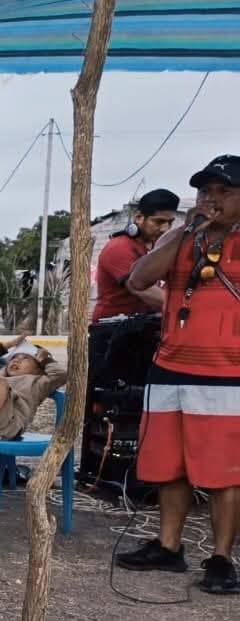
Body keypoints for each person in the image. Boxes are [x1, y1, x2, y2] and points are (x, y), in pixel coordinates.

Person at [115, 155, 240, 594]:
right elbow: (138, 279)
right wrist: (185, 233)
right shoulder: (181, 235)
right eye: (205, 191)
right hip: (171, 366)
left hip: (228, 371)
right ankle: (169, 546)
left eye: (224, 192)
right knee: (170, 464)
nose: (211, 199)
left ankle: (221, 559)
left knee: (224, 470)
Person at [92, 188, 180, 323]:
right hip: (113, 329)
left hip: (142, 325)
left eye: (170, 222)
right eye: (159, 222)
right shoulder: (119, 247)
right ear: (139, 218)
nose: (165, 229)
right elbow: (142, 289)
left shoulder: (155, 248)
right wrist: (184, 308)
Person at [0, 337, 66, 439]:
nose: (17, 360)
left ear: (38, 370)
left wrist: (45, 359)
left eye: (25, 358)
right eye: (14, 358)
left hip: (9, 424)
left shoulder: (38, 383)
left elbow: (61, 375)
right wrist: (7, 345)